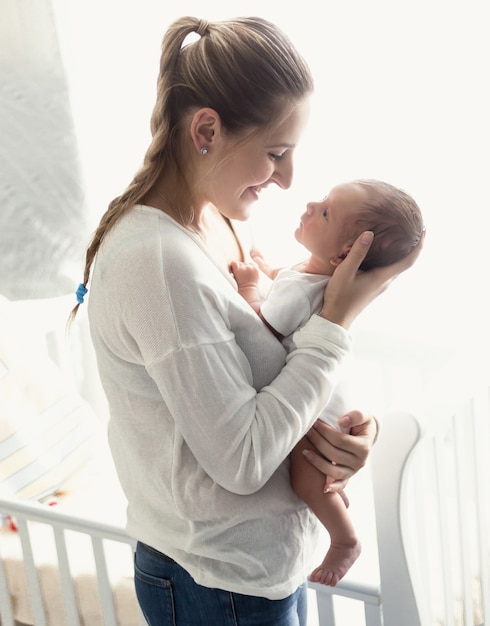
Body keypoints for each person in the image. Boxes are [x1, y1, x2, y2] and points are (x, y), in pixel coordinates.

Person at [70, 16, 423, 626]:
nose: (288, 178)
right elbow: (241, 461)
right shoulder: (158, 263)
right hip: (218, 583)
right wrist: (335, 327)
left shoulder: (224, 217)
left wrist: (339, 441)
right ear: (206, 129)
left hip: (261, 570)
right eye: (276, 153)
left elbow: (278, 373)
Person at [231, 178, 424, 587]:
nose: (310, 203)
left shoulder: (302, 290)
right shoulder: (315, 277)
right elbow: (292, 279)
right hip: (332, 391)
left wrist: (250, 286)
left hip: (318, 406)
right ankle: (331, 499)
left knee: (307, 474)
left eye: (324, 212)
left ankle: (345, 538)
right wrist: (268, 271)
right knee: (319, 476)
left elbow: (260, 327)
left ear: (342, 255)